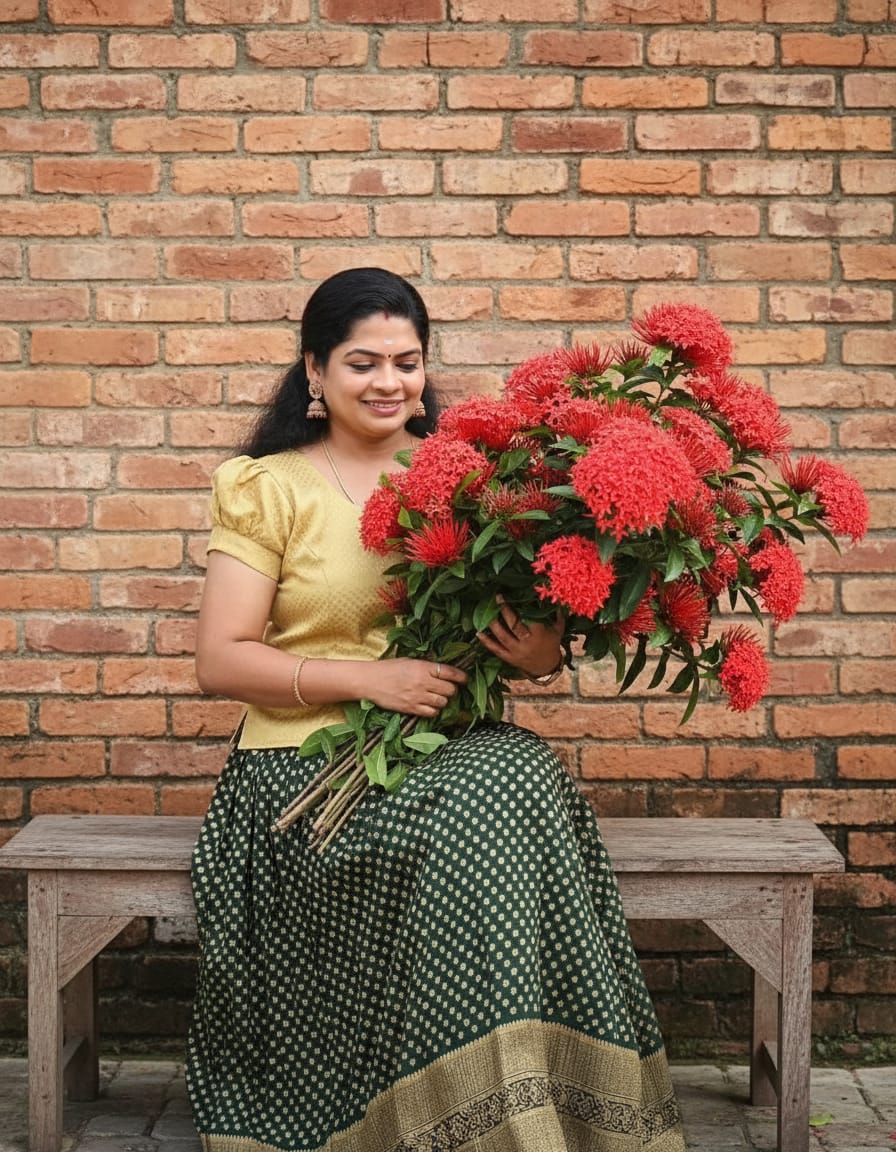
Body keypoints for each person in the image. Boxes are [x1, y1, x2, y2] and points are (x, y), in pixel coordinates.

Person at [186, 267, 686, 1152]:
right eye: (362, 362)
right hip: (302, 772)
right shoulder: (269, 488)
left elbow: (519, 635)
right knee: (492, 794)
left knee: (517, 771)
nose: (389, 382)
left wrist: (537, 656)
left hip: (439, 756)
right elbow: (219, 660)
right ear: (314, 372)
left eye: (407, 362)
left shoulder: (481, 484)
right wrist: (370, 680)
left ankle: (518, 1108)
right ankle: (450, 1112)